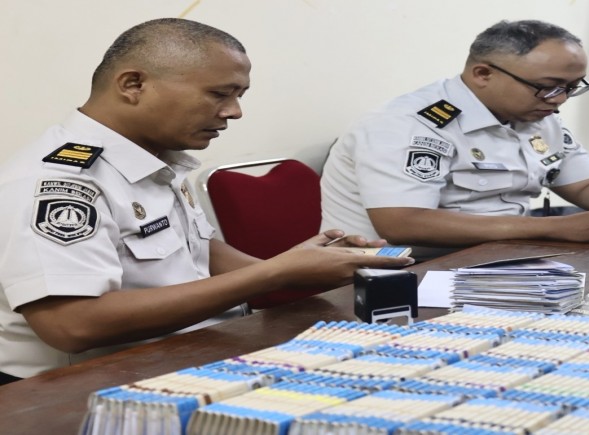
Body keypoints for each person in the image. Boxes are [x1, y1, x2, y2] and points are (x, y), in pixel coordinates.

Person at [0, 18, 413, 383]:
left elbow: (196, 249)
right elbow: (72, 325)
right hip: (87, 386)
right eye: (219, 94)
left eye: (239, 95)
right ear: (133, 85)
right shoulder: (57, 181)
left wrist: (305, 266)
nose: (234, 112)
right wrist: (275, 274)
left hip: (189, 353)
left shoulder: (155, 156)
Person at [320, 19, 589, 254]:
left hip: (500, 257)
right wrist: (560, 228)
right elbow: (403, 222)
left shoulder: (536, 114)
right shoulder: (407, 125)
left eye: (572, 87)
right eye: (548, 87)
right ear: (483, 74)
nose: (559, 100)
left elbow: (588, 182)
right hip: (400, 273)